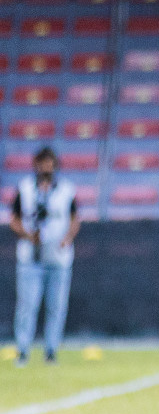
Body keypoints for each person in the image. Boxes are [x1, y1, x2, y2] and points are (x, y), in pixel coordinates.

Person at [9, 147, 79, 366]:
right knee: (27, 306)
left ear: (55, 165)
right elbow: (14, 219)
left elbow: (75, 219)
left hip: (58, 258)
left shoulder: (66, 190)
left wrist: (67, 238)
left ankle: (51, 351)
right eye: (42, 163)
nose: (45, 167)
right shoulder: (25, 189)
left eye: (49, 163)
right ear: (35, 164)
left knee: (56, 307)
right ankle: (23, 351)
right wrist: (27, 236)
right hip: (31, 258)